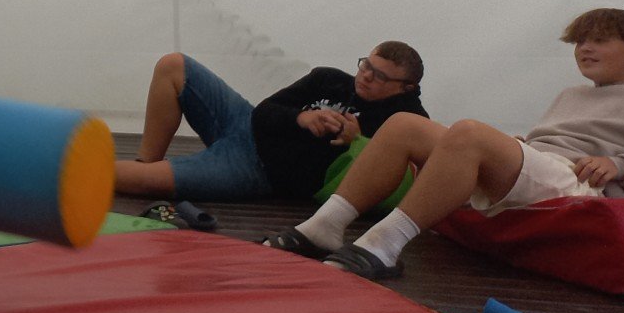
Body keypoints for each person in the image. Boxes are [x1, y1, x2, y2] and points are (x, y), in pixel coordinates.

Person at [267, 9, 624, 279]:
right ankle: (325, 226)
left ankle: (384, 245)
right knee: (404, 124)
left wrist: (623, 165)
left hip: (578, 183)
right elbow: (552, 144)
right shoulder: (571, 94)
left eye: (599, 40)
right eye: (580, 41)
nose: (585, 48)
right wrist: (520, 147)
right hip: (542, 167)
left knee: (470, 132)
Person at [113, 44, 427, 203]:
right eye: (365, 65)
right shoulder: (329, 79)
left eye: (379, 75)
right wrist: (301, 117)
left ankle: (97, 171)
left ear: (406, 88)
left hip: (256, 170)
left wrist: (357, 143)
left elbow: (401, 182)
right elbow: (265, 110)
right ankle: (147, 160)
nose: (366, 76)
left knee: (133, 180)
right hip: (245, 122)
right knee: (173, 64)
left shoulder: (409, 124)